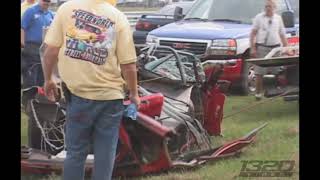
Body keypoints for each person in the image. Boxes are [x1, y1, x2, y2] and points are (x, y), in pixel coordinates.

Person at [42, 0, 140, 180]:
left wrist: (49, 79)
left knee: (76, 152)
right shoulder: (118, 17)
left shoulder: (66, 9)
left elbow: (50, 52)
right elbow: (129, 66)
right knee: (105, 154)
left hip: (78, 97)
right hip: (111, 98)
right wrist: (134, 94)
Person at [250, 0, 288, 100]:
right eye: (266, 6)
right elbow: (253, 33)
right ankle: (258, 94)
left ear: (274, 8)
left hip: (275, 48)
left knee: (277, 72)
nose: (267, 8)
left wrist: (287, 48)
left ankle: (274, 92)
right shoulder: (259, 17)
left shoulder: (278, 19)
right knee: (259, 72)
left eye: (270, 6)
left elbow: (282, 34)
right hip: (262, 47)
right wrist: (253, 48)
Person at [21, 0, 54, 88]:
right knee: (31, 73)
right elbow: (22, 27)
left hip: (44, 47)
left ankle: (38, 98)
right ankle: (28, 97)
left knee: (43, 73)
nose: (46, 2)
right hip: (31, 46)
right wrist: (22, 43)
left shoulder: (50, 14)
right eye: (44, 1)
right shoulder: (30, 11)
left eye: (48, 1)